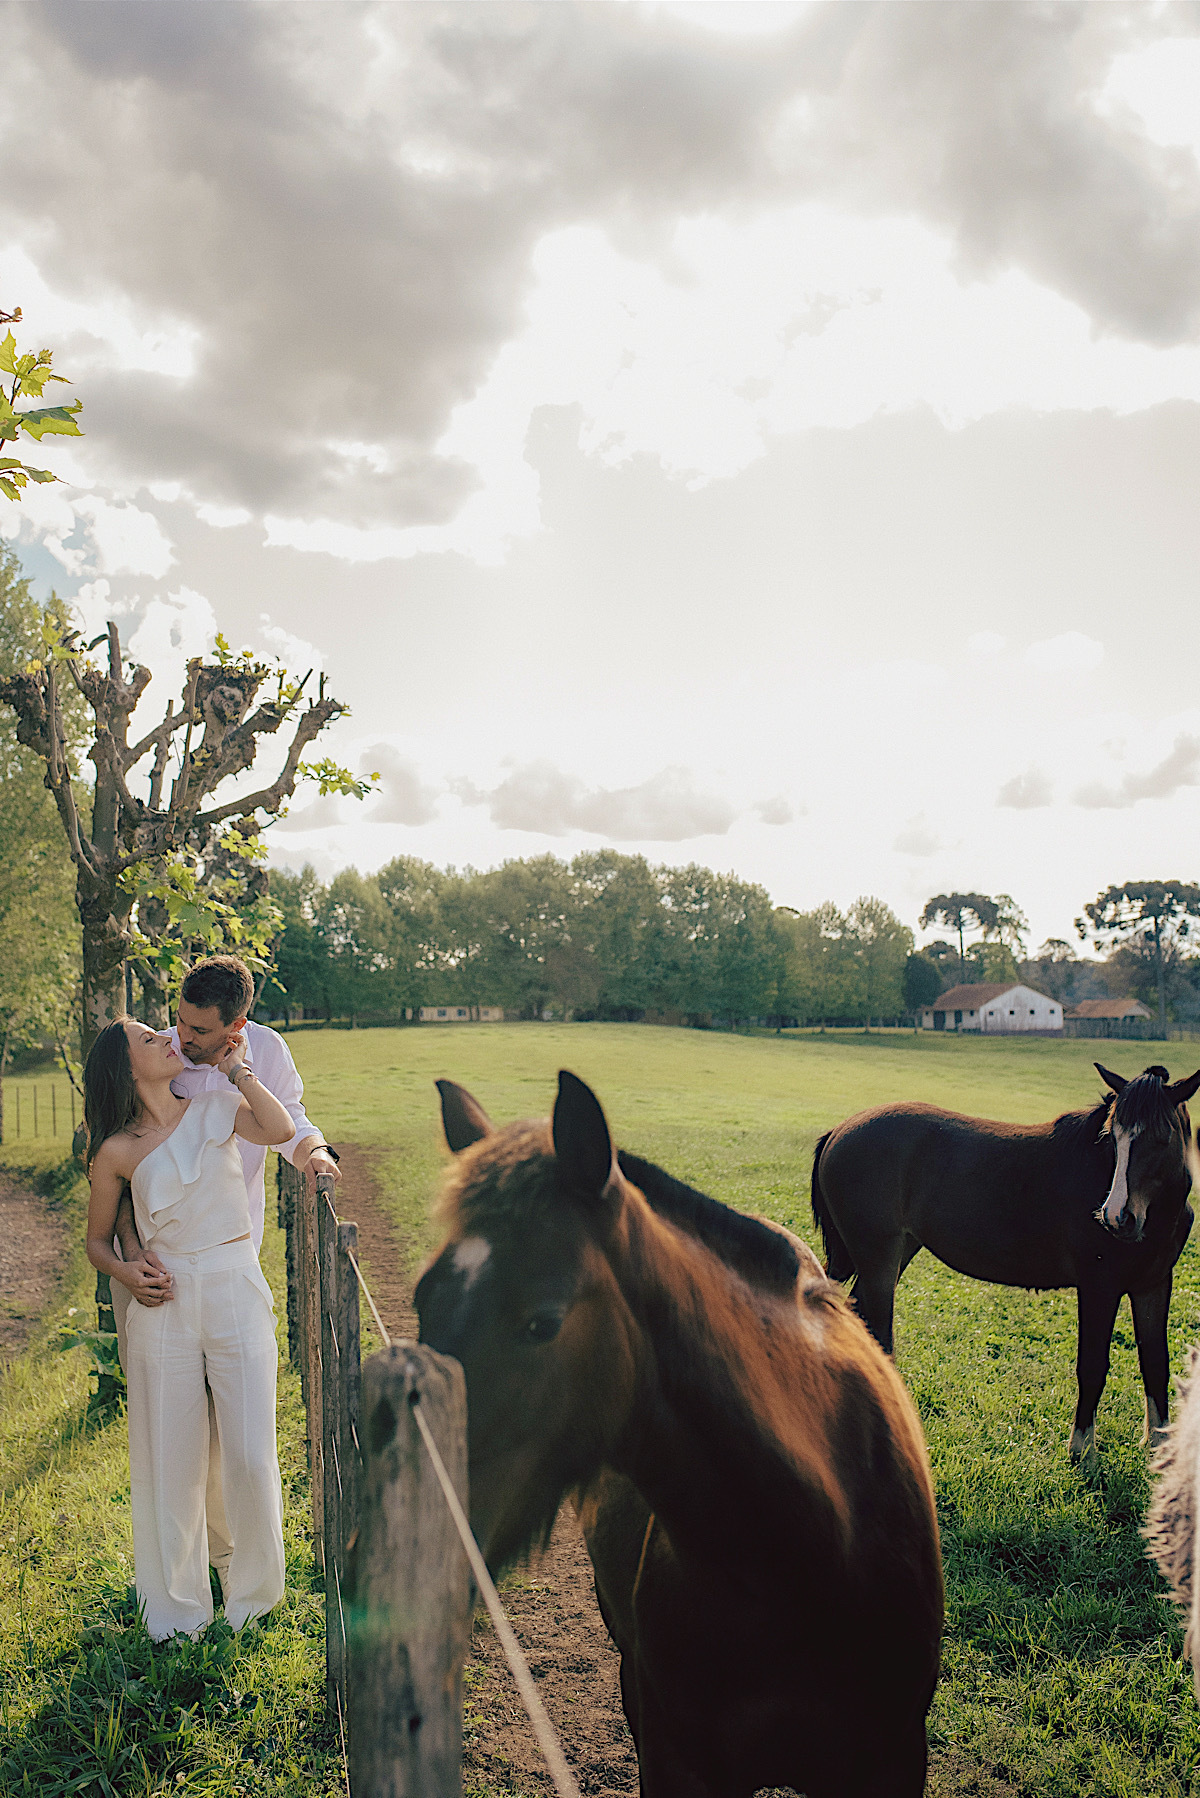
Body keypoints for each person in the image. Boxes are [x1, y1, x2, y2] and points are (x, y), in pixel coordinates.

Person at [108, 955, 341, 1596]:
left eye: (200, 1031)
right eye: (177, 1023)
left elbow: (289, 1119)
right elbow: (118, 1168)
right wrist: (131, 1261)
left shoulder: (264, 1053)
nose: (183, 1040)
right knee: (177, 1426)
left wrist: (316, 1153)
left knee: (236, 1429)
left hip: (231, 1260)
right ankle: (187, 1566)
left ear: (237, 1026)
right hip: (152, 1270)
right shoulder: (155, 1055)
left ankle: (235, 1565)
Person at [85, 1016, 295, 1639]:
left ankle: (254, 1601)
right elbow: (96, 1240)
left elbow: (281, 1130)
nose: (167, 1041)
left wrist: (238, 1069)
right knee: (170, 1462)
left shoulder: (218, 1106)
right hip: (164, 1304)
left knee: (252, 1455)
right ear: (127, 1070)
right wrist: (127, 1272)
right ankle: (177, 1614)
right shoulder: (116, 1151)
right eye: (150, 1041)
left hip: (235, 1281)